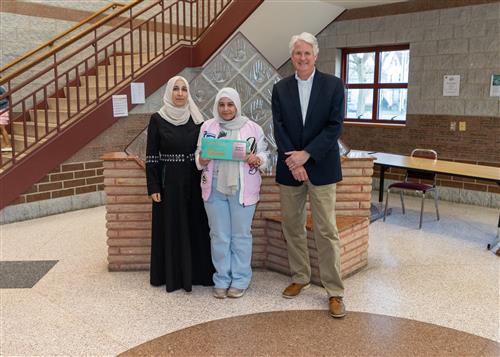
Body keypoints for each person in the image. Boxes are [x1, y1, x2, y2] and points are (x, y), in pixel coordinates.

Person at [271, 32, 346, 318]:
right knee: (292, 225)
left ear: (316, 56)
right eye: (297, 53)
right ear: (292, 57)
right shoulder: (280, 88)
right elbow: (279, 128)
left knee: (327, 229)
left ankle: (335, 291)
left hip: (322, 166)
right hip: (290, 167)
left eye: (307, 53)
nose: (302, 58)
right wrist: (295, 160)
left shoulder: (332, 85)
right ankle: (300, 276)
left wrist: (307, 155)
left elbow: (334, 126)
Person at [196, 87, 268, 299]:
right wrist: (202, 159)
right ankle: (222, 278)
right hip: (214, 188)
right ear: (217, 106)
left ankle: (240, 279)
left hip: (242, 189)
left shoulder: (253, 128)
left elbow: (265, 155)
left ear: (237, 105)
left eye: (230, 104)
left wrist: (258, 159)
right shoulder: (207, 127)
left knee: (241, 236)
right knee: (219, 236)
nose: (226, 109)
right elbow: (198, 155)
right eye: (221, 104)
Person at [145, 76, 214, 293]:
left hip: (194, 181)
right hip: (169, 184)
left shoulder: (197, 119)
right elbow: (151, 156)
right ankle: (172, 276)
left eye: (184, 89)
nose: (180, 93)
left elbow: (205, 150)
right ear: (169, 92)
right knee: (172, 227)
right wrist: (154, 186)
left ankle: (197, 274)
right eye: (176, 89)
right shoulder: (157, 119)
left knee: (195, 225)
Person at [0, 85, 12, 151]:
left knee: (1, 127)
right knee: (1, 128)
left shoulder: (1, 87)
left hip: (2, 109)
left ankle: (8, 145)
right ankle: (6, 144)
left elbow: (6, 96)